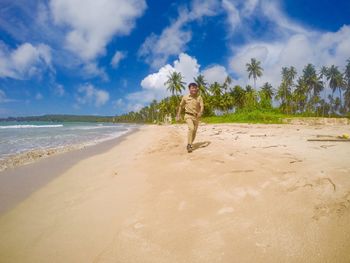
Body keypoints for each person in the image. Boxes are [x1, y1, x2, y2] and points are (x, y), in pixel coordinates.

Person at [176, 82, 204, 153]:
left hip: (196, 117)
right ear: (189, 89)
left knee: (194, 132)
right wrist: (178, 115)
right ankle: (189, 145)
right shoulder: (185, 97)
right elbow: (181, 106)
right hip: (188, 115)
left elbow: (202, 106)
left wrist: (200, 112)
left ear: (197, 89)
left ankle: (190, 143)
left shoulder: (199, 97)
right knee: (191, 128)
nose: (194, 89)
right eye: (192, 88)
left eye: (195, 88)